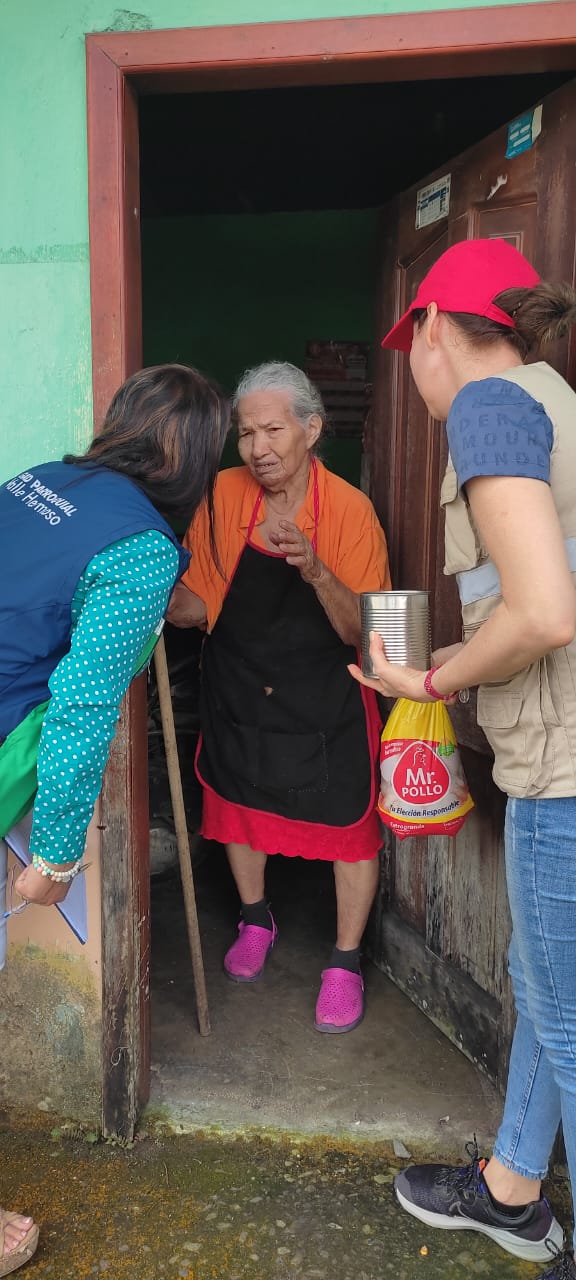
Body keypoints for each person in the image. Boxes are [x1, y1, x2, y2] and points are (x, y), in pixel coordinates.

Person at [350, 238, 576, 1279]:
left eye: (411, 348)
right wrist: (451, 659)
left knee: (568, 1015)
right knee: (549, 984)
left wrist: (432, 686)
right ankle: (513, 1190)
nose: (416, 370)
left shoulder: (489, 409)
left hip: (563, 770)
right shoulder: (554, 401)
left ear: (433, 326)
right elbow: (534, 602)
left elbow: (544, 613)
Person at [0, 362, 229, 1275]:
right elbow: (86, 703)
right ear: (198, 464)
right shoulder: (142, 549)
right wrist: (56, 858)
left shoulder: (36, 480)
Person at [168, 360, 390, 1033]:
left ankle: (345, 961)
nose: (257, 448)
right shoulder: (221, 495)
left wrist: (316, 569)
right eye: (245, 434)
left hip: (326, 696)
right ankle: (255, 920)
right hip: (240, 686)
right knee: (238, 806)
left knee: (351, 828)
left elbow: (364, 631)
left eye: (272, 430)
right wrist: (154, 587)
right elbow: (199, 603)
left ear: (311, 430)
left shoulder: (348, 510)